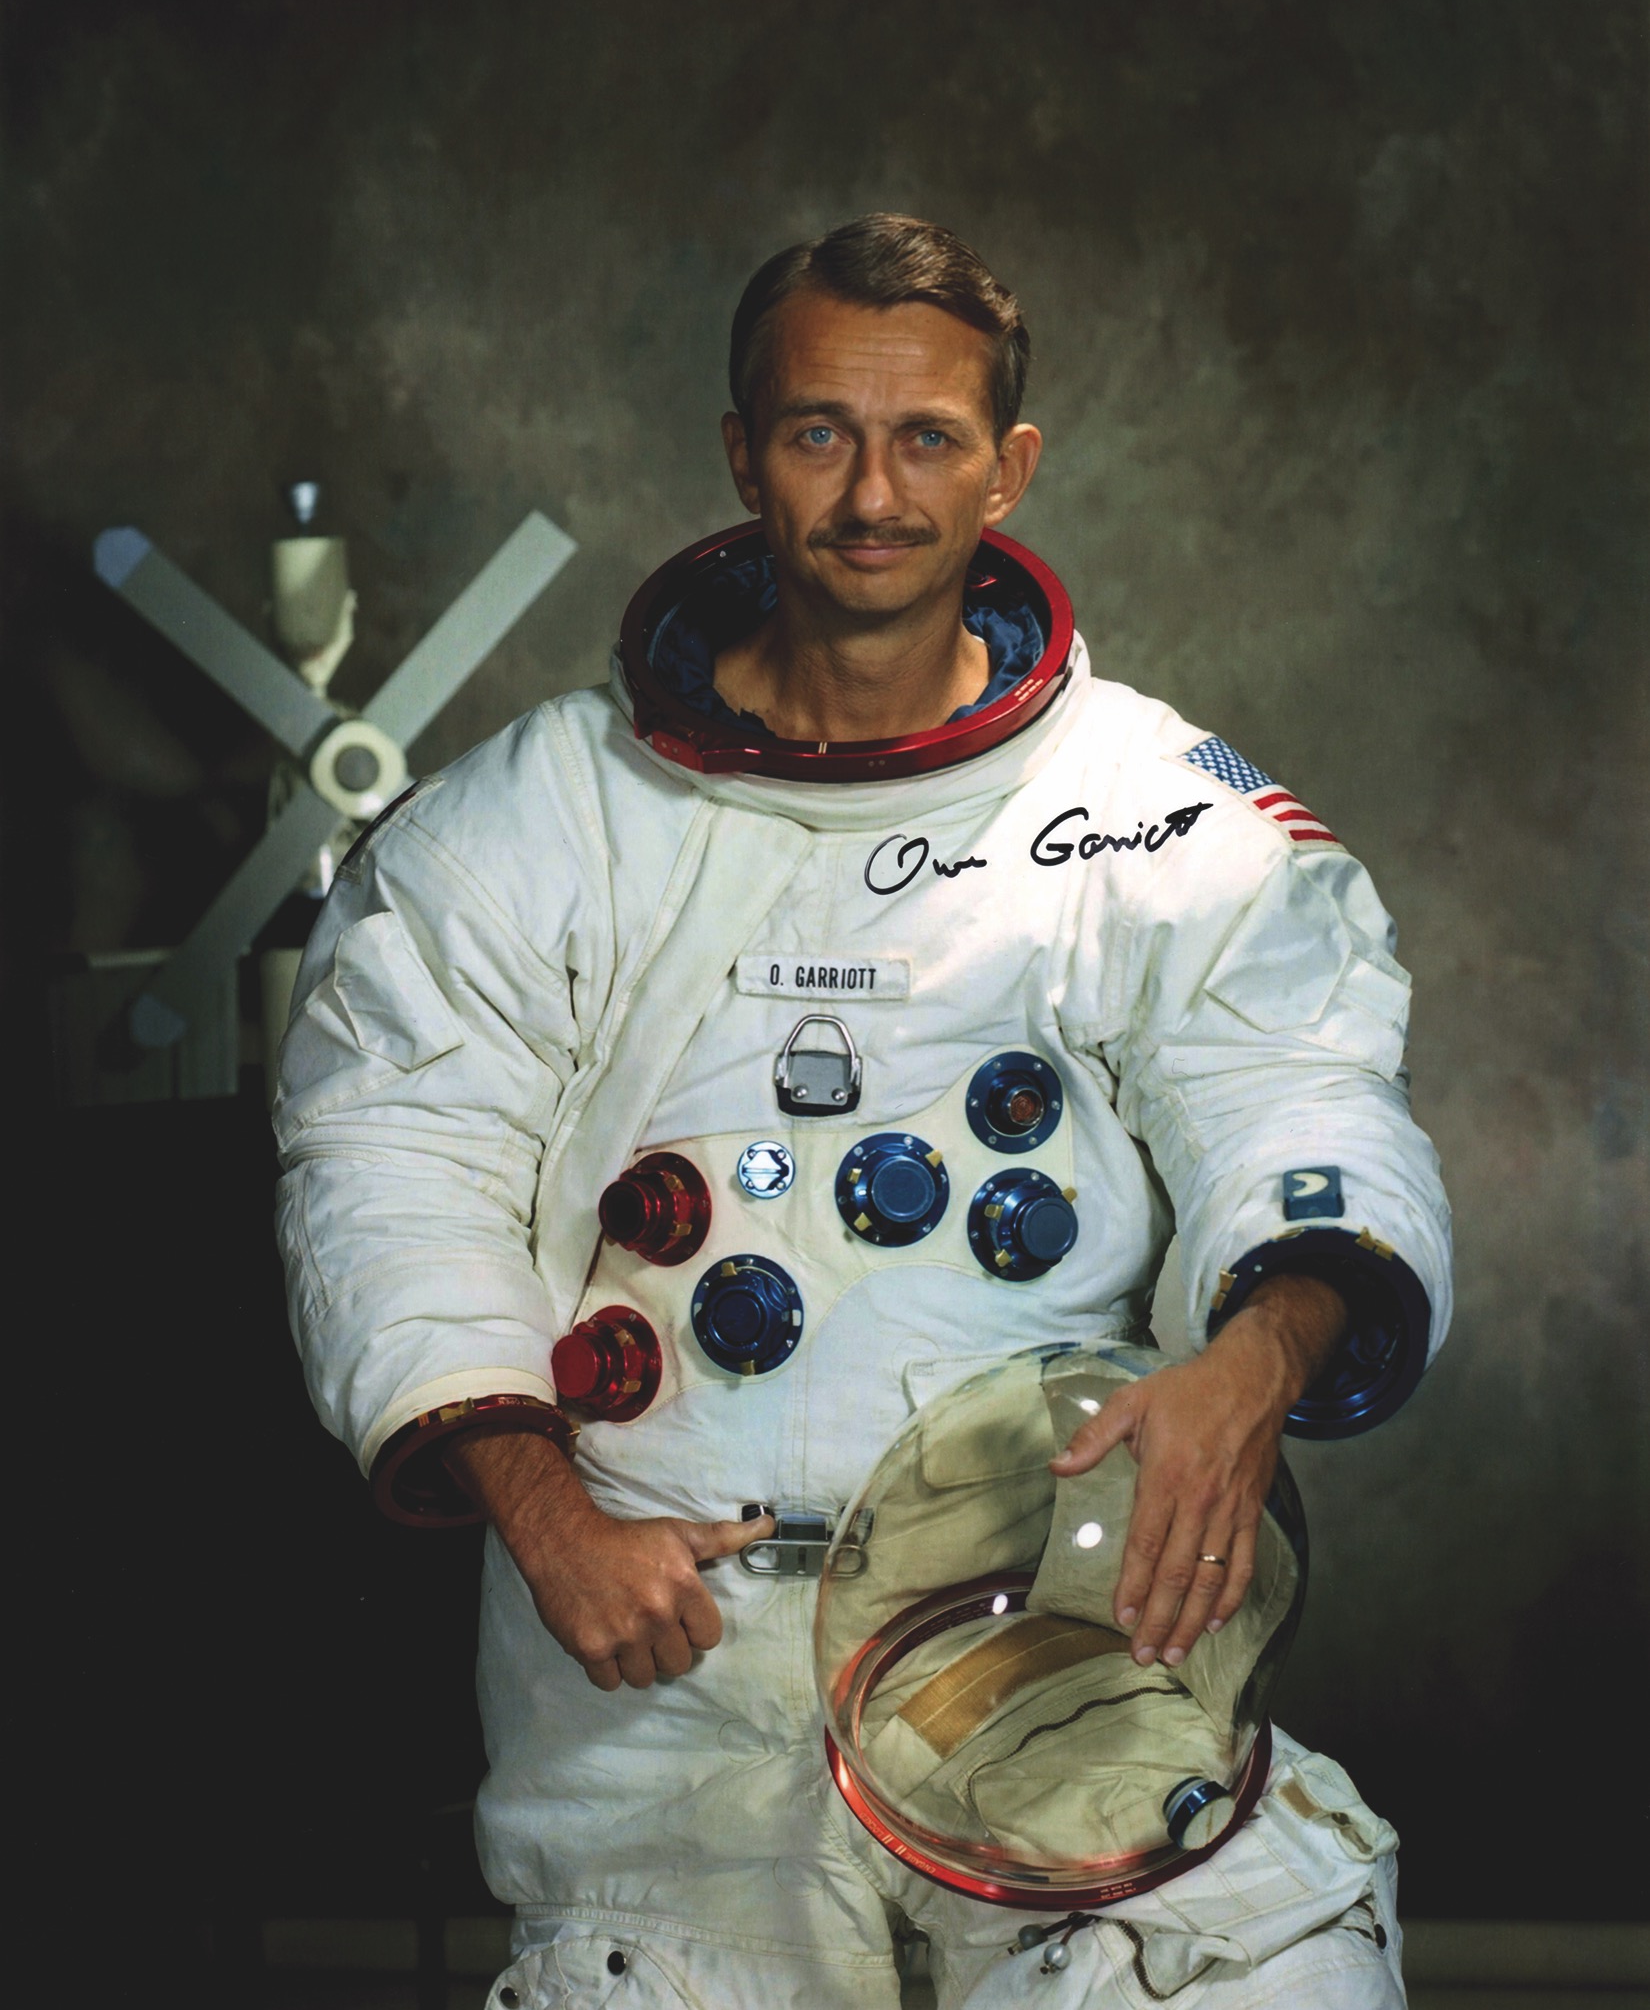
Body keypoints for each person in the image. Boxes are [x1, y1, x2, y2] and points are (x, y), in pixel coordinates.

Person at [275, 215, 1450, 2008]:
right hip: (667, 1681)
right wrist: (549, 1518)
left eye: (927, 439)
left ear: (1006, 468)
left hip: (1065, 1636)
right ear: (743, 456)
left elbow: (1296, 1087)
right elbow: (390, 1166)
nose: (873, 493)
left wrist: (1254, 1360)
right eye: (820, 432)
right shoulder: (528, 826)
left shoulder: (1156, 816)